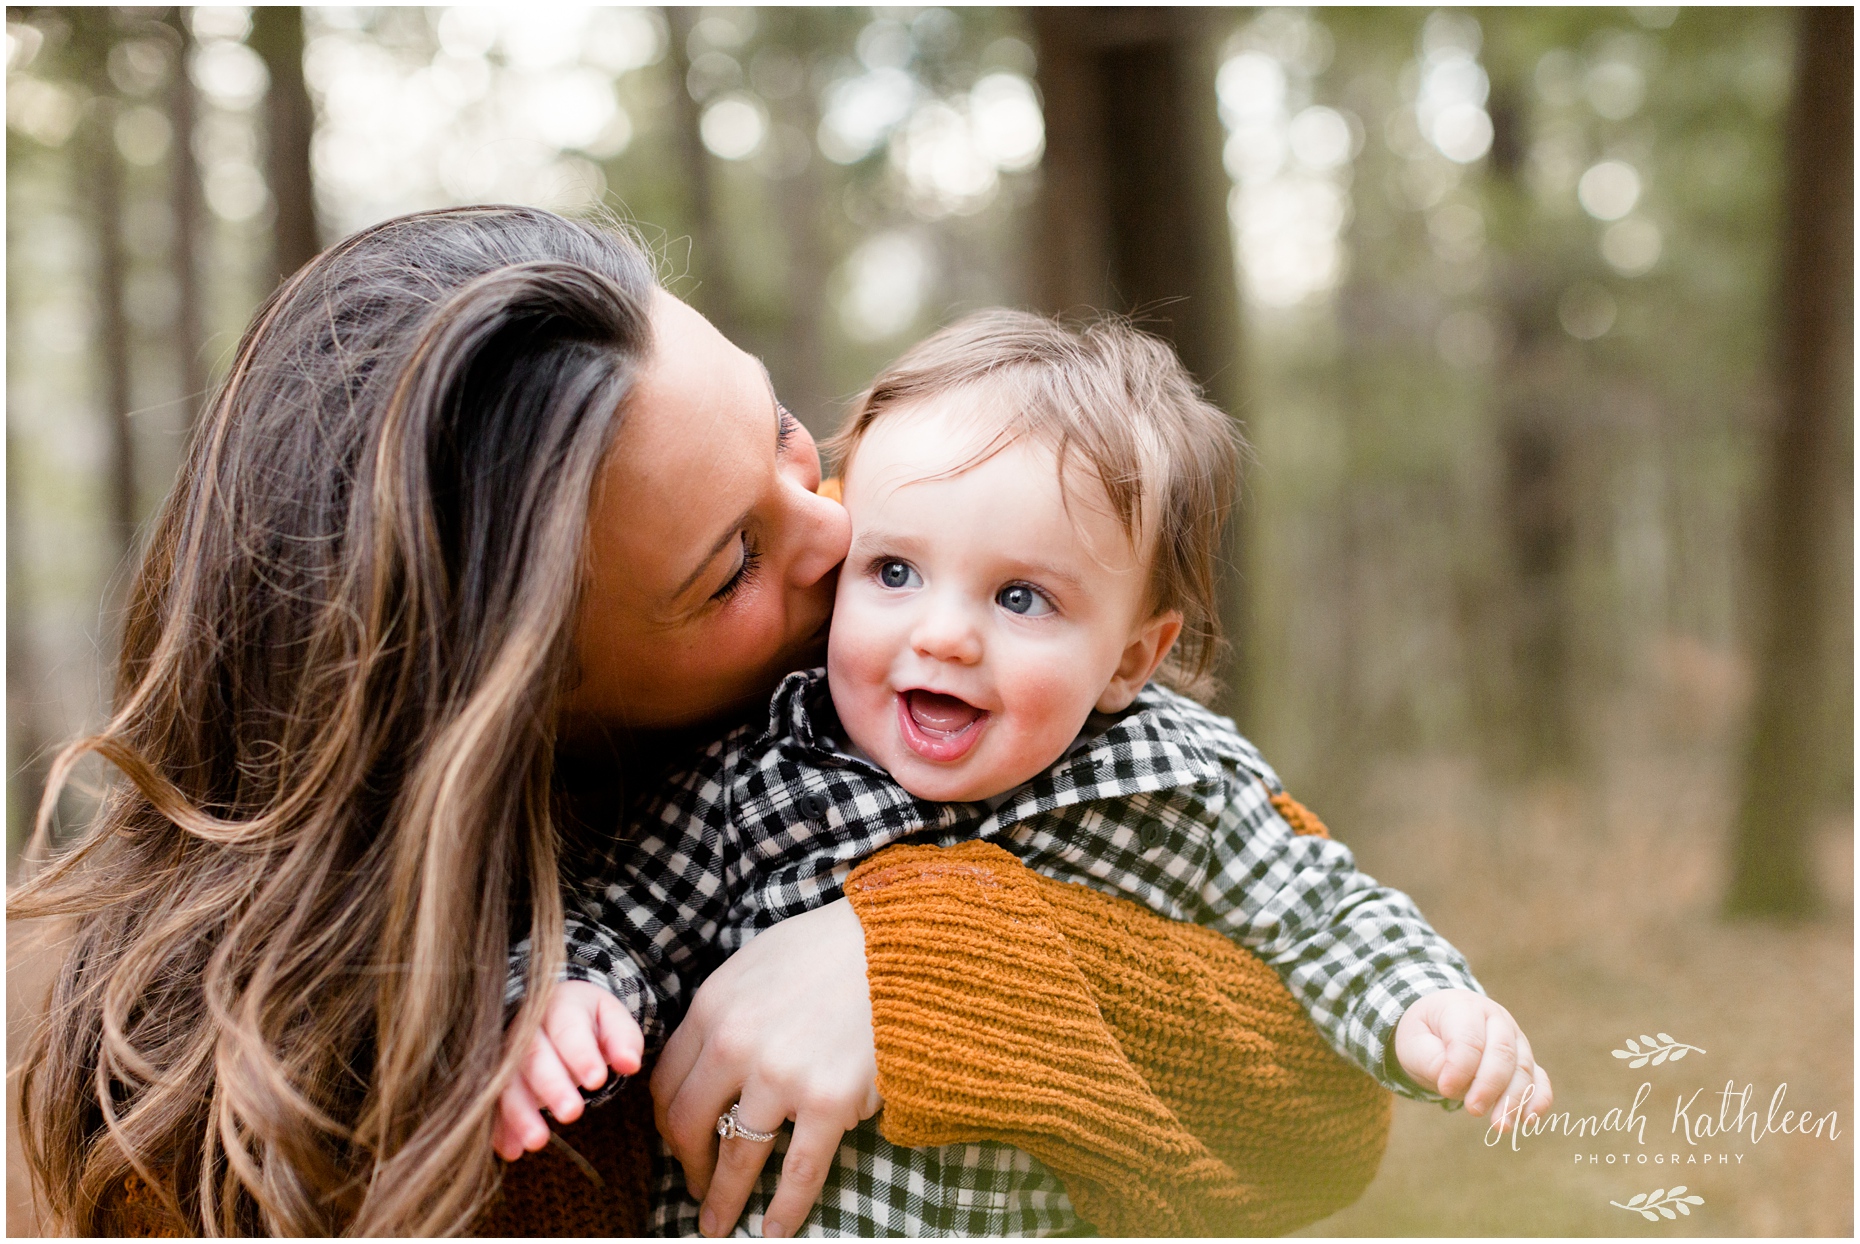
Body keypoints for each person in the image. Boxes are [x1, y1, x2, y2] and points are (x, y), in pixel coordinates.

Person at [8, 207, 1389, 1239]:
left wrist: (921, 965)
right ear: (517, 714)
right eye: (731, 565)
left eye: (793, 439)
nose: (844, 531)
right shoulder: (281, 1115)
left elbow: (1325, 1124)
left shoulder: (935, 707)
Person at [500, 311, 1554, 1236]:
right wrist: (571, 991)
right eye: (896, 570)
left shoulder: (1163, 778)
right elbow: (624, 913)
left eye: (1021, 598)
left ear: (1134, 658)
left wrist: (1426, 1002)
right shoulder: (766, 774)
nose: (945, 635)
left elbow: (1315, 910)